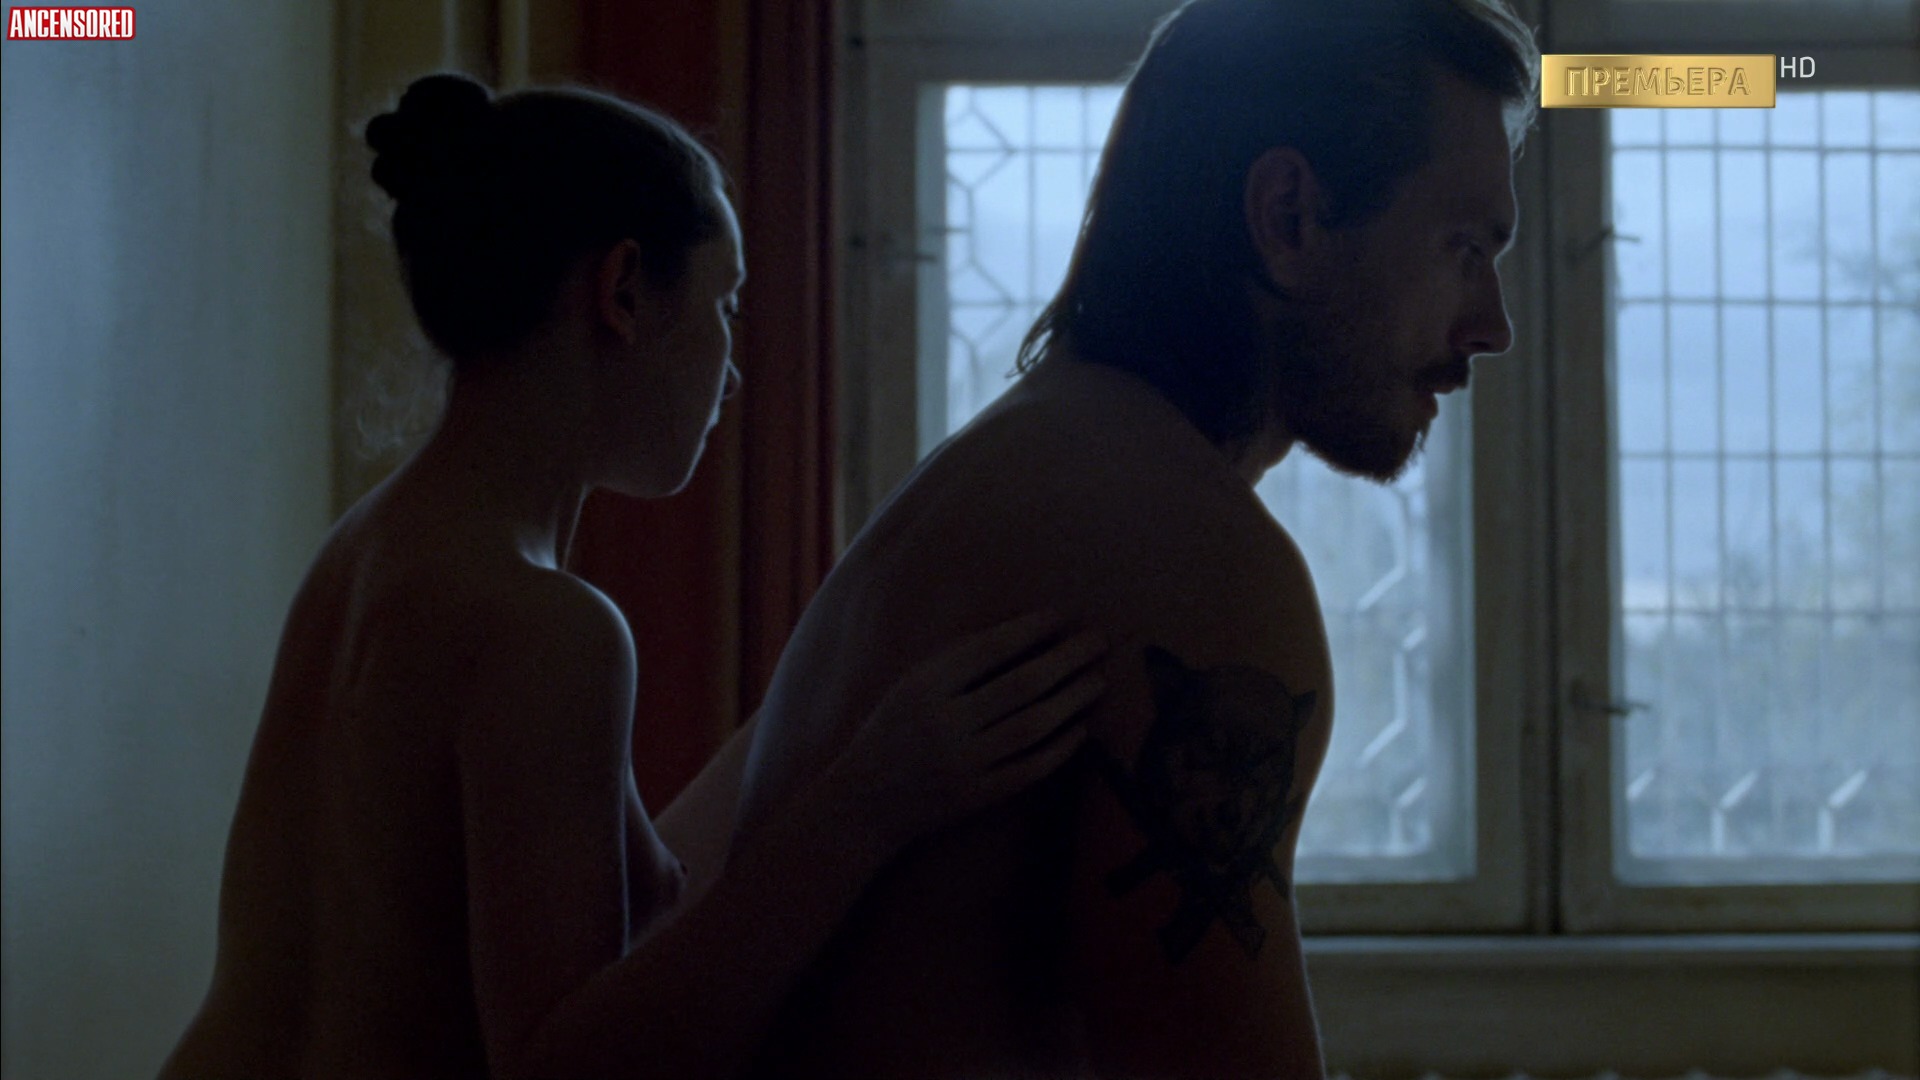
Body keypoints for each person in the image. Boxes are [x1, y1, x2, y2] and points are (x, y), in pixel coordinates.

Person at [156, 73, 1111, 1080]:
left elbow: (640, 902)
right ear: (621, 292)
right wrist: (869, 806)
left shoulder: (369, 552)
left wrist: (837, 714)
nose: (732, 370)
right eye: (726, 302)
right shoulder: (542, 625)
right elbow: (570, 1067)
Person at [734, 1, 1538, 1076]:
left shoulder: (1016, 471)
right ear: (1290, 216)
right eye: (1463, 249)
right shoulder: (1193, 563)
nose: (1493, 327)